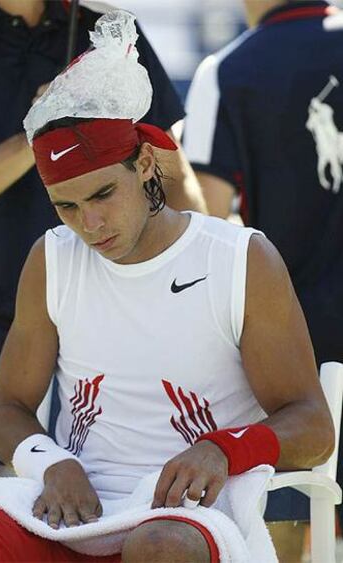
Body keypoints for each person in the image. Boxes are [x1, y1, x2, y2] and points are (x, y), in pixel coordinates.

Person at [0, 9, 334, 563]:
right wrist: (52, 463)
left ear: (146, 162)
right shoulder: (52, 256)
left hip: (188, 515)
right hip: (69, 508)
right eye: (66, 206)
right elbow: (6, 410)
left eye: (101, 196)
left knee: (158, 544)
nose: (88, 224)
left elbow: (313, 426)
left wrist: (221, 450)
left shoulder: (241, 257)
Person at [0, 0, 205, 484]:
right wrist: (39, 130)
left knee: (120, 500)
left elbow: (170, 172)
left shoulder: (110, 29)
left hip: (122, 319)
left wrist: (203, 287)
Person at [182, 0, 343, 556]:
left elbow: (203, 223)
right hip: (298, 358)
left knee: (284, 529)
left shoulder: (227, 70)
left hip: (295, 357)